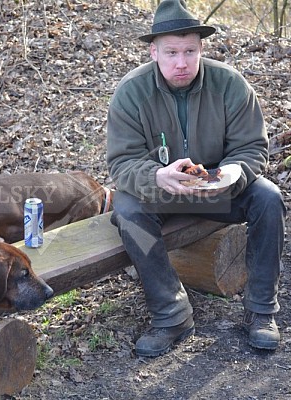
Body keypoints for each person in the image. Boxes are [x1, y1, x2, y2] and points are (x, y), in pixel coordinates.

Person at [107, 0, 286, 357]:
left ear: (201, 48)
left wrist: (235, 171)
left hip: (219, 190)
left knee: (268, 196)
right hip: (163, 192)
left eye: (190, 51)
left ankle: (261, 311)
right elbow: (122, 163)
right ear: (153, 51)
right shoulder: (131, 93)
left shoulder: (230, 85)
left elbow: (252, 147)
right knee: (127, 211)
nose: (181, 62)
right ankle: (171, 315)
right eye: (171, 52)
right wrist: (157, 175)